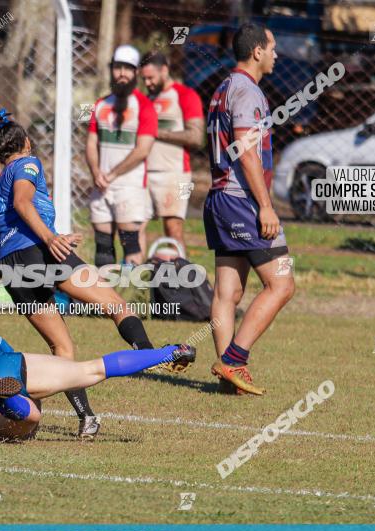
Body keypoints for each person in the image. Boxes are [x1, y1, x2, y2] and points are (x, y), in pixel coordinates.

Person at [0, 108, 183, 439]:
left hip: (11, 267)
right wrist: (50, 239)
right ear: (27, 143)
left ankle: (83, 416)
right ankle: (148, 354)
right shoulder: (26, 164)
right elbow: (23, 203)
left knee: (62, 350)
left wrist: (53, 236)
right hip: (40, 252)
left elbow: (14, 218)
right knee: (117, 305)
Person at [0, 311, 195, 440]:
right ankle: (170, 352)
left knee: (26, 420)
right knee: (90, 370)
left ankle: (5, 400)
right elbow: (21, 372)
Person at [204, 23, 295, 395]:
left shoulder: (223, 88)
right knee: (282, 284)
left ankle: (230, 380)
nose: (276, 55)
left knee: (228, 292)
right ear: (257, 51)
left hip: (219, 198)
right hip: (241, 200)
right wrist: (266, 206)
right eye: (272, 48)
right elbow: (245, 150)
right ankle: (233, 361)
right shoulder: (246, 91)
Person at [86, 44, 157, 267]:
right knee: (103, 246)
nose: (123, 73)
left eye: (128, 68)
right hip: (102, 186)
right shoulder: (100, 104)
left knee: (130, 245)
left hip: (130, 186)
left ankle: (130, 299)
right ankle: (103, 300)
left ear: (136, 72)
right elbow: (91, 143)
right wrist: (96, 172)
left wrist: (112, 174)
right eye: (118, 68)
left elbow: (142, 150)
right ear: (111, 70)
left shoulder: (144, 106)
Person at [139, 52, 205, 258]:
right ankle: (136, 279)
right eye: (144, 79)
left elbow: (196, 137)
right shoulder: (145, 100)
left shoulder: (185, 95)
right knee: (134, 228)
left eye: (151, 78)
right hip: (142, 173)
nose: (147, 83)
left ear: (164, 70)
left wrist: (157, 132)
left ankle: (181, 279)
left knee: (173, 228)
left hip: (174, 172)